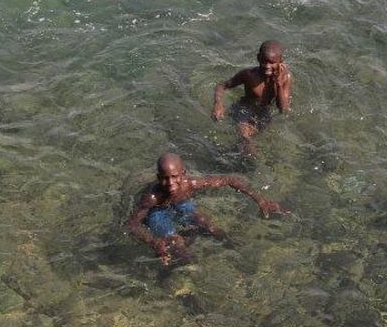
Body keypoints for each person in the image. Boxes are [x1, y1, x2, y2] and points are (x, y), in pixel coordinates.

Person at [125, 153, 286, 265]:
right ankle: (190, 270)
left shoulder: (190, 184)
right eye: (165, 179)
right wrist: (154, 242)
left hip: (181, 203)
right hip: (157, 211)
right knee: (175, 243)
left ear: (183, 174)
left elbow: (229, 180)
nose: (171, 183)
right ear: (158, 178)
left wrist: (260, 200)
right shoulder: (152, 197)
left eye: (175, 177)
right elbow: (132, 225)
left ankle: (234, 248)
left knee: (205, 223)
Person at [212, 41, 292, 156]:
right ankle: (245, 143)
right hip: (244, 108)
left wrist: (278, 83)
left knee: (265, 140)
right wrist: (218, 103)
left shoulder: (286, 78)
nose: (267, 66)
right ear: (258, 58)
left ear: (281, 62)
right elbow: (222, 85)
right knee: (244, 134)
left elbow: (283, 109)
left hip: (264, 111)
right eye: (264, 61)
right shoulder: (248, 74)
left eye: (272, 62)